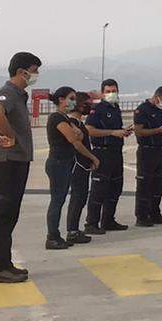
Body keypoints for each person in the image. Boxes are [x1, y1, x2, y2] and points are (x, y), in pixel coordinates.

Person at [0, 51, 40, 283]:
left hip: (17, 162)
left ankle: (5, 263)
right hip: (7, 163)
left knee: (10, 215)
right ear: (21, 71)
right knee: (4, 214)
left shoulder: (19, 95)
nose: (36, 76)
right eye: (35, 71)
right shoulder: (7, 93)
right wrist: (10, 135)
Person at [45, 86, 102, 248]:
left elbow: (81, 134)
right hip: (58, 163)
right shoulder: (56, 118)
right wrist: (92, 157)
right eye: (71, 98)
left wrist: (76, 132)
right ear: (61, 100)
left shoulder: (65, 118)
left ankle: (58, 234)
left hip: (65, 162)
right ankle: (52, 236)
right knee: (57, 200)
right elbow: (74, 138)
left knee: (62, 198)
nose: (74, 102)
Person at [83, 77, 133, 232]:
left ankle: (108, 220)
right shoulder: (98, 110)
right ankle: (91, 223)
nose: (111, 94)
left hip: (116, 152)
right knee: (99, 189)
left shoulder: (115, 108)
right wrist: (112, 132)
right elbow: (89, 129)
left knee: (115, 188)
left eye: (114, 91)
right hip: (102, 152)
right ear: (102, 93)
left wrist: (123, 132)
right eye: (108, 91)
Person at [132, 85, 162, 226]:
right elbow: (139, 131)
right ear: (156, 96)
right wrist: (158, 130)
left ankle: (155, 213)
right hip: (146, 150)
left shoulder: (161, 110)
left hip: (159, 149)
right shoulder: (142, 110)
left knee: (158, 183)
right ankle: (142, 216)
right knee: (145, 184)